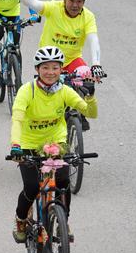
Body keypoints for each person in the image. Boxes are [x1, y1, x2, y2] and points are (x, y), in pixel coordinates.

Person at [8, 46, 98, 243]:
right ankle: (21, 219)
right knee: (32, 187)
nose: (50, 72)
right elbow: (17, 120)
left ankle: (63, 220)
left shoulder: (64, 91)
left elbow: (91, 113)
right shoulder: (27, 91)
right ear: (37, 69)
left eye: (55, 68)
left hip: (56, 143)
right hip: (28, 143)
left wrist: (90, 97)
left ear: (61, 70)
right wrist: (16, 145)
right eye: (45, 68)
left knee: (63, 182)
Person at [11, 0, 103, 81]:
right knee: (47, 92)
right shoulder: (54, 8)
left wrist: (96, 64)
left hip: (72, 60)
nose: (75, 5)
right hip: (49, 59)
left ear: (84, 2)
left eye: (79, 1)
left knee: (88, 84)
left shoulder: (88, 17)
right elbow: (34, 4)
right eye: (71, 0)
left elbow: (93, 39)